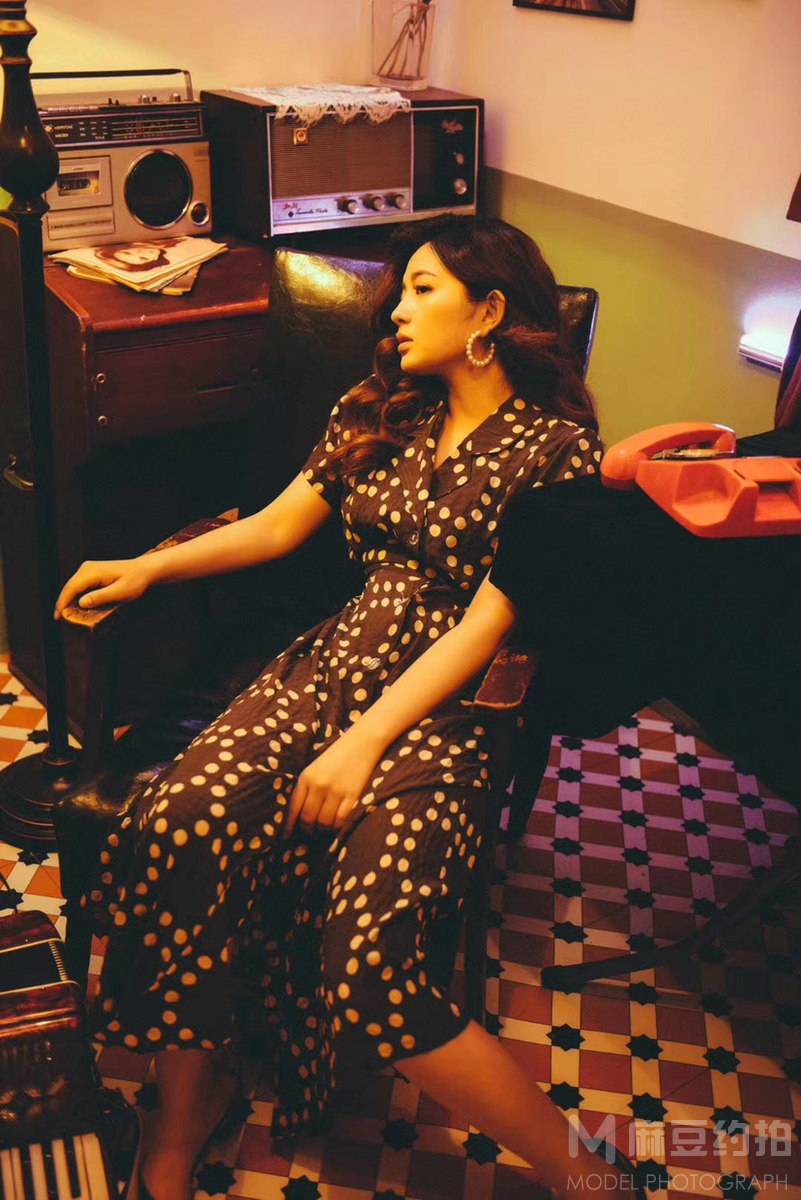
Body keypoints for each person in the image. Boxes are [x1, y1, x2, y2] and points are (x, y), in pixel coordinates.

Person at [56, 216, 636, 1200]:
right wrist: (146, 567)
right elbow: (278, 525)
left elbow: (484, 628)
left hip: (446, 710)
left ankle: (592, 1180)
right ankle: (182, 1116)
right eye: (398, 292)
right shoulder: (384, 413)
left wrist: (364, 744)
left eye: (421, 289)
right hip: (329, 665)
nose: (395, 312)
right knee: (186, 816)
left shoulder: (558, 454)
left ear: (488, 311)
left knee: (372, 970)